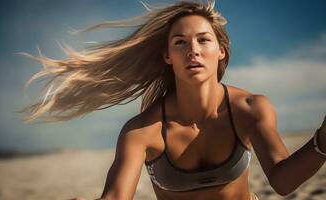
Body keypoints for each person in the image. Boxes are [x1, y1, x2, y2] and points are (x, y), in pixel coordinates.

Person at [18, 1, 326, 199]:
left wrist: (322, 141)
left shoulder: (249, 109)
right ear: (168, 55)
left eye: (203, 39)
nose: (193, 49)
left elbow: (283, 182)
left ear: (220, 50)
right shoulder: (142, 131)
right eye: (180, 42)